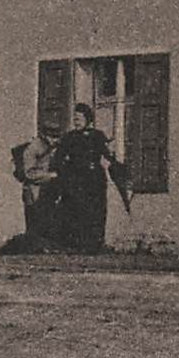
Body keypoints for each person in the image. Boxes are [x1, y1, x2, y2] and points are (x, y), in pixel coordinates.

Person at [52, 103, 124, 254]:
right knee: (75, 211)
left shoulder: (97, 136)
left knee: (95, 211)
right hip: (75, 180)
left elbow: (107, 156)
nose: (76, 121)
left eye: (79, 118)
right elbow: (58, 159)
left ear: (87, 119)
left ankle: (94, 245)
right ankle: (76, 245)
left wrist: (112, 165)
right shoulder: (69, 137)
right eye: (75, 118)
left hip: (94, 179)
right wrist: (65, 173)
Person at [11, 122, 61, 248]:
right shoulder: (33, 148)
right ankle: (34, 249)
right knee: (35, 222)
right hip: (34, 191)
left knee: (48, 220)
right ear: (44, 135)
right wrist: (50, 176)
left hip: (48, 190)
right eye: (52, 136)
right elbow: (29, 173)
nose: (54, 139)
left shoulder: (53, 147)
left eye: (56, 136)